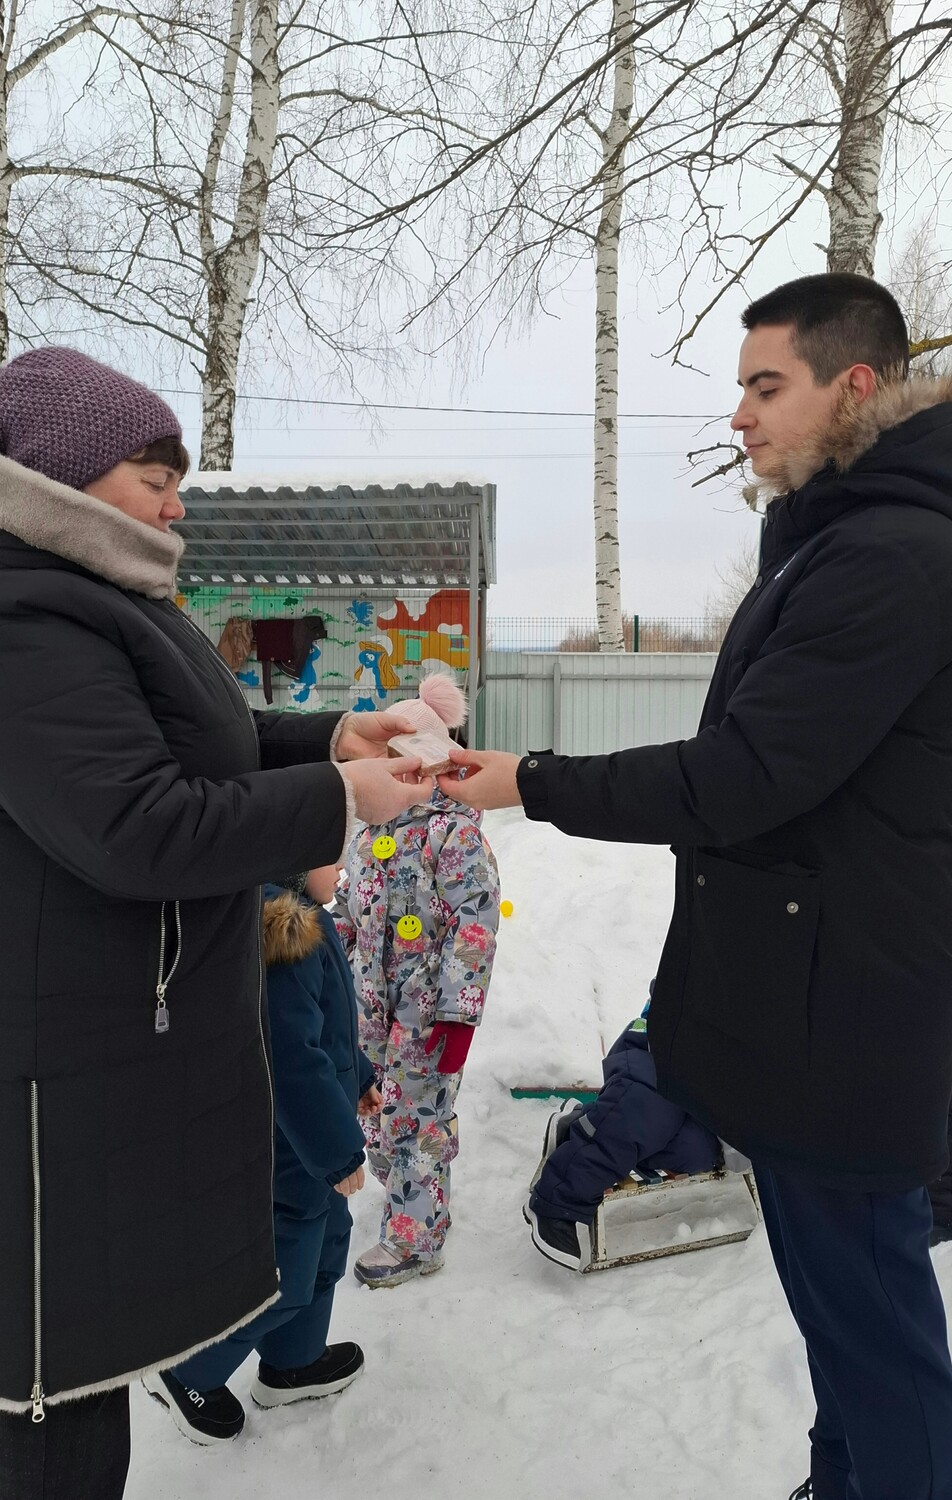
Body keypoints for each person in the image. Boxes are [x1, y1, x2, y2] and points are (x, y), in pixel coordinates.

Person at [437, 274, 952, 1500]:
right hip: (814, 991)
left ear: (855, 385)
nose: (739, 415)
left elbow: (746, 775)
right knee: (841, 1311)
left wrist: (532, 781)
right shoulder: (844, 540)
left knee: (873, 1321)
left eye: (765, 386)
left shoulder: (891, 554)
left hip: (845, 1007)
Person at [0, 347, 430, 1499]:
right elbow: (135, 824)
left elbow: (194, 743)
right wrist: (340, 799)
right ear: (62, 475)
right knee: (51, 1400)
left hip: (102, 1062)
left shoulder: (92, 601)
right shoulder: (24, 617)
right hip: (53, 1084)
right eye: (155, 477)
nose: (176, 504)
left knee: (87, 1381)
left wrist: (331, 738)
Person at [145, 865, 380, 1443]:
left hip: (311, 1144)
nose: (342, 868)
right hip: (285, 1149)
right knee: (283, 1274)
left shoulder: (308, 919)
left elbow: (328, 1030)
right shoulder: (281, 933)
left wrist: (359, 1077)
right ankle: (187, 1373)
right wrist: (337, 1151)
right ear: (293, 857)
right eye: (330, 855)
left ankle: (293, 1362)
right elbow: (291, 1062)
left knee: (328, 1245)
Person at [333, 674, 500, 1287]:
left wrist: (458, 1015)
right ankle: (414, 1198)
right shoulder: (370, 834)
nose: (397, 779)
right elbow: (347, 911)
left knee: (417, 1122)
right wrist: (326, 963)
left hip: (425, 1016)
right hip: (368, 1013)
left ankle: (416, 1239)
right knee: (379, 1116)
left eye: (409, 767)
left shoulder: (454, 833)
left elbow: (474, 923)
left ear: (436, 767)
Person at [526, 1007, 719, 1272]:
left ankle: (590, 1120)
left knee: (695, 1150)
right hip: (663, 1046)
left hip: (711, 1090)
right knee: (648, 1109)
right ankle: (558, 1200)